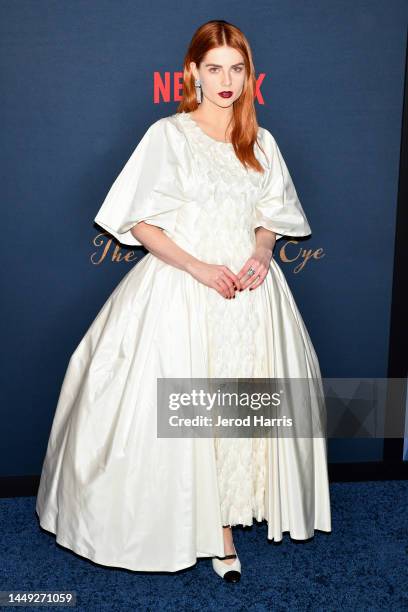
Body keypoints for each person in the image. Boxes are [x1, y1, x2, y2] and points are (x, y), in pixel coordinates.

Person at [35, 19, 331, 583]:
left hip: (250, 295)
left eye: (236, 69)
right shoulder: (168, 136)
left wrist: (264, 250)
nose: (226, 80)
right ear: (192, 72)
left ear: (249, 75)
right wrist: (197, 267)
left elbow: (272, 214)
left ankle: (234, 509)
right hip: (184, 290)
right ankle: (214, 532)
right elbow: (140, 222)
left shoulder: (261, 142)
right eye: (213, 68)